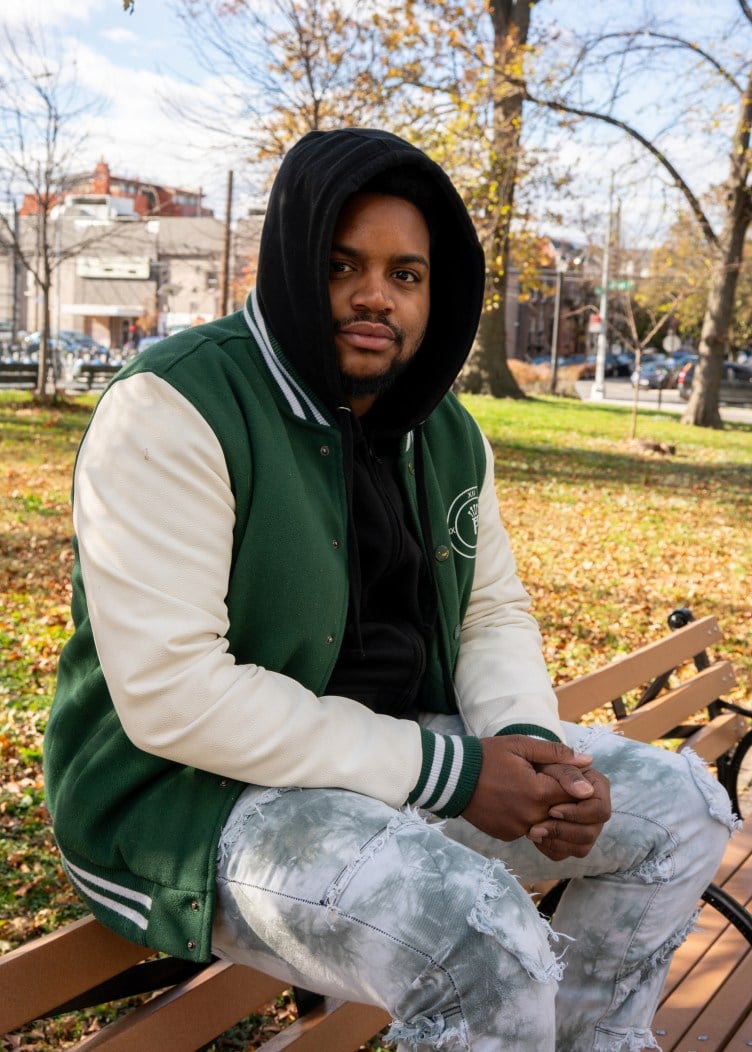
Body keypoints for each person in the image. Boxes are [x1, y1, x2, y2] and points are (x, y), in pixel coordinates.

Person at [44, 128, 737, 1052]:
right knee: (478, 942)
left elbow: (491, 609)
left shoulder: (442, 429)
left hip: (396, 763)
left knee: (678, 814)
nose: (376, 294)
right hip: (192, 800)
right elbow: (174, 697)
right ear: (292, 264)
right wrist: (453, 774)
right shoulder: (175, 406)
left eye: (406, 274)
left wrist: (532, 751)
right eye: (343, 265)